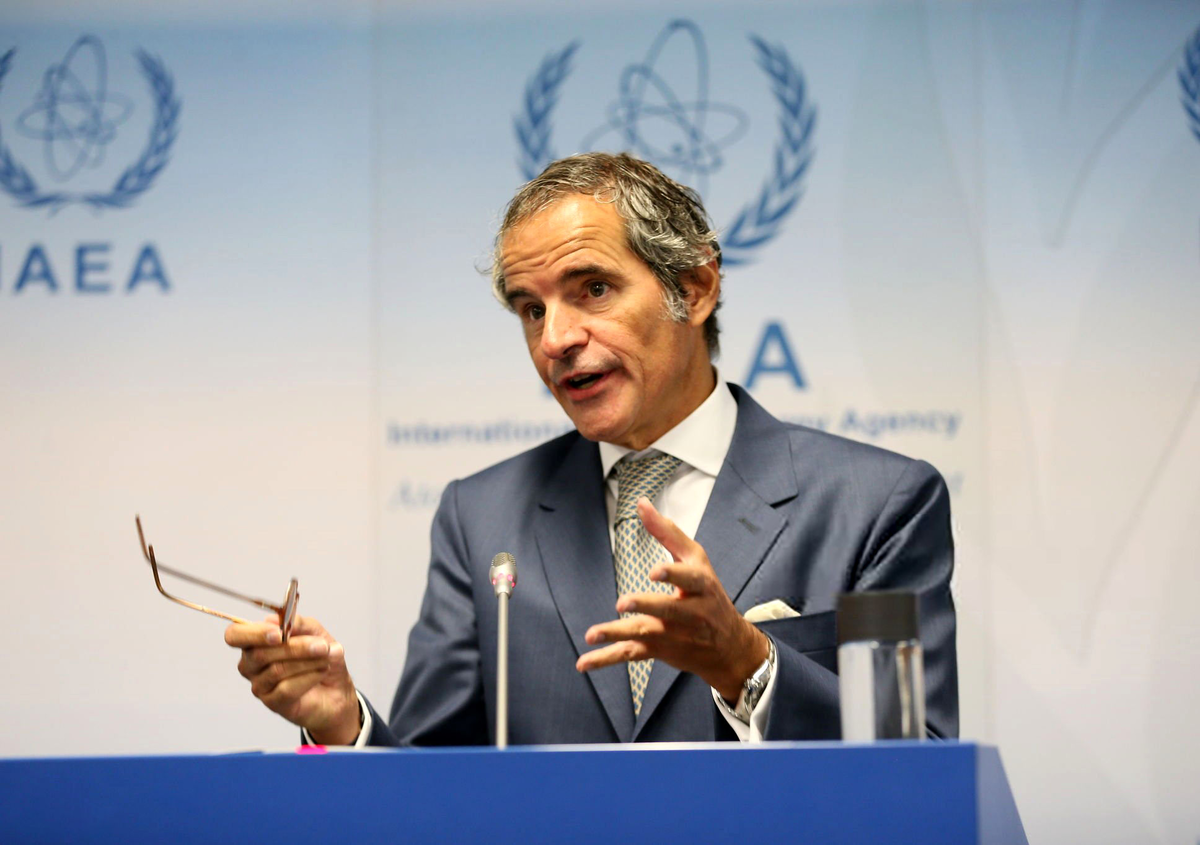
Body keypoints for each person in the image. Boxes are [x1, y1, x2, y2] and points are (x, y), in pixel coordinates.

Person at [225, 152, 958, 745]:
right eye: (531, 308)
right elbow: (433, 789)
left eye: (594, 289)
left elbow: (916, 771)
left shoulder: (875, 504)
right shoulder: (481, 517)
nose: (554, 339)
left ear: (695, 289)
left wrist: (747, 663)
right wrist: (345, 724)